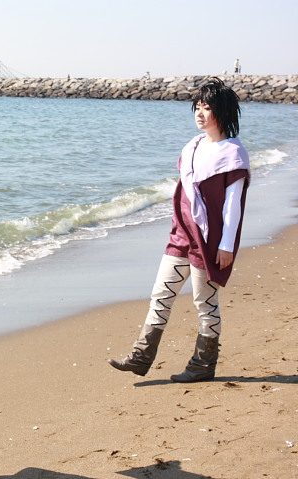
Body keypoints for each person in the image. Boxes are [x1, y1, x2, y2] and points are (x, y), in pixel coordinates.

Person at [108, 78, 249, 383]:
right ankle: (140, 357)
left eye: (206, 108)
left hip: (208, 240)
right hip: (181, 235)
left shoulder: (234, 153)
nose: (199, 113)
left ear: (222, 111)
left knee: (205, 303)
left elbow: (233, 206)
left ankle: (203, 365)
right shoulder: (193, 146)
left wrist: (226, 245)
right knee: (161, 294)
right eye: (197, 107)